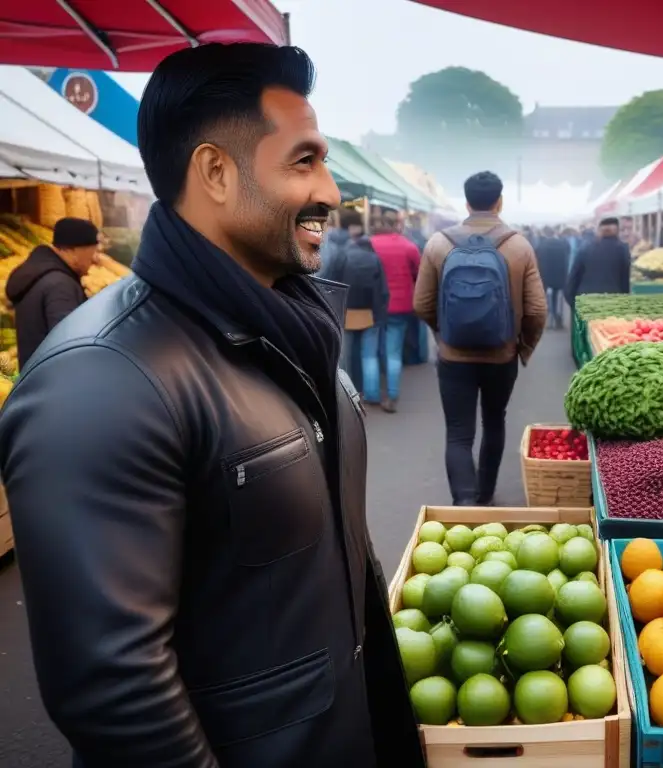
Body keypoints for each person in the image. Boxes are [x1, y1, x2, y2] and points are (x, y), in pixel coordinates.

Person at [0, 43, 422, 768]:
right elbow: (116, 694)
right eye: (304, 161)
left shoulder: (290, 328)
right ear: (215, 172)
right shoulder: (101, 379)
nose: (329, 189)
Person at [414, 171, 546, 506]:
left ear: (467, 202)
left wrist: (445, 333)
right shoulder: (518, 245)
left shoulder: (439, 243)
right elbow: (536, 309)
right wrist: (523, 346)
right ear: (499, 201)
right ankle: (485, 494)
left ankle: (465, 502)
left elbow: (421, 304)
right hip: (501, 356)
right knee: (494, 421)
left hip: (453, 357)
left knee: (458, 432)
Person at [5, 216, 97, 369]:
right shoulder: (60, 286)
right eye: (91, 253)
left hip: (37, 378)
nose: (94, 260)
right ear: (74, 250)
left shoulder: (41, 274)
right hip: (55, 383)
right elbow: (69, 346)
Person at [318, 210, 389, 388]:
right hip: (369, 311)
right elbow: (382, 290)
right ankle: (371, 392)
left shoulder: (335, 250)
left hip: (345, 309)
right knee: (369, 355)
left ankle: (349, 391)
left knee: (346, 355)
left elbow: (329, 281)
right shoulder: (373, 257)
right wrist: (381, 314)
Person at [368, 209, 420, 412]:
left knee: (370, 351)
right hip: (400, 305)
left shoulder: (369, 244)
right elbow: (419, 273)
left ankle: (371, 394)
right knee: (394, 352)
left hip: (372, 305)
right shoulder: (409, 246)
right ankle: (391, 396)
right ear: (397, 225)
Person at [565, 217, 631, 308]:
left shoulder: (585, 248)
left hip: (586, 302)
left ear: (599, 231)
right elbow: (625, 282)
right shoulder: (623, 250)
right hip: (611, 303)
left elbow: (573, 278)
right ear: (617, 231)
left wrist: (573, 303)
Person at [535, 226, 571, 328]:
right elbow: (568, 256)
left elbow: (536, 259)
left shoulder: (542, 245)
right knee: (558, 298)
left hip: (545, 276)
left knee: (544, 298)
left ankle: (547, 318)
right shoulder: (563, 244)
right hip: (560, 276)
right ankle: (557, 318)